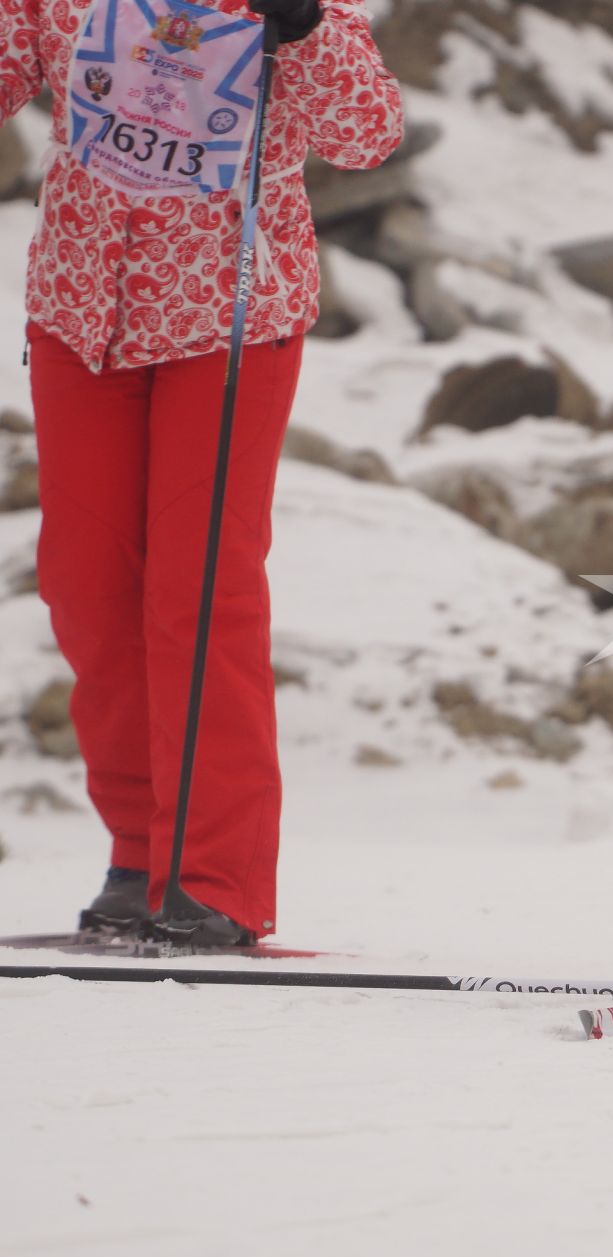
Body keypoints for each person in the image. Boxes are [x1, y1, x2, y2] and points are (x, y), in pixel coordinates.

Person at [2, 0, 404, 945]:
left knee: (199, 590)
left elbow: (367, 130)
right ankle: (143, 852)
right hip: (79, 311)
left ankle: (214, 877)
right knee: (87, 590)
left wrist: (299, 26)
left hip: (226, 320)